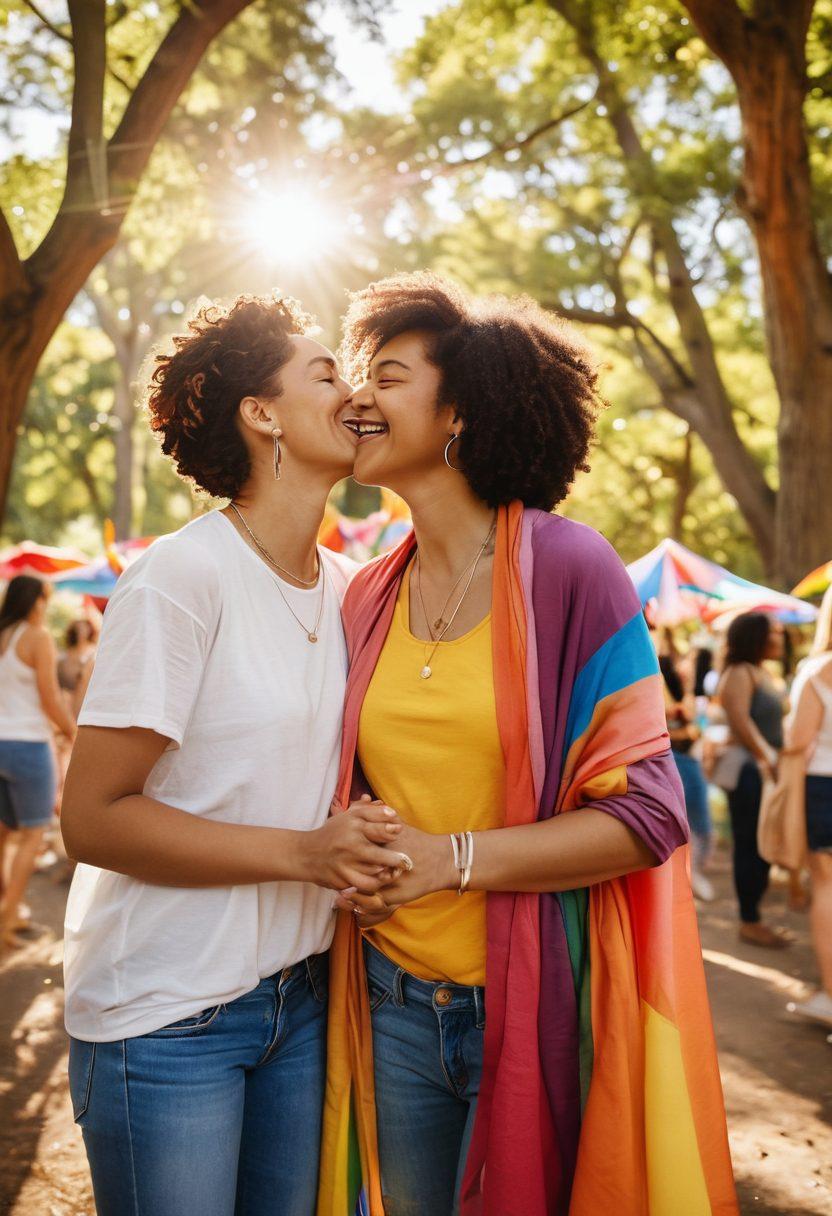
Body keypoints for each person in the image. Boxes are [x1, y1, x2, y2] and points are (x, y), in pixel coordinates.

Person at [317, 273, 737, 1216]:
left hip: (535, 1000)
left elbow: (650, 812)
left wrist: (447, 861)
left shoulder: (569, 568)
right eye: (356, 376)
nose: (357, 398)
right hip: (389, 997)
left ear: (459, 408)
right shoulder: (365, 594)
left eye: (387, 377)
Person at [60, 293, 406, 1216]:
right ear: (261, 415)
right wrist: (304, 853)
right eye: (327, 373)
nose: (356, 391)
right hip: (167, 1016)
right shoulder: (182, 577)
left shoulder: (353, 588)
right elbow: (91, 818)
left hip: (301, 1003)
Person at [0, 575, 77, 947]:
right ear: (36, 601)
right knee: (33, 834)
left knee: (3, 834)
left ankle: (7, 908)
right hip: (28, 744)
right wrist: (74, 731)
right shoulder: (38, 637)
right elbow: (50, 698)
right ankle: (7, 921)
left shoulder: (4, 634)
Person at [717, 611, 788, 946]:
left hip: (761, 767)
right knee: (749, 844)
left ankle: (754, 916)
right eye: (772, 633)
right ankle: (749, 920)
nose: (779, 638)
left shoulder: (761, 672)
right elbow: (741, 722)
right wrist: (767, 756)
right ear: (754, 637)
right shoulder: (739, 672)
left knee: (760, 844)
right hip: (747, 768)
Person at [783, 584, 832, 1026]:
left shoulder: (819, 671)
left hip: (823, 787)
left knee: (827, 888)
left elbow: (797, 741)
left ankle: (831, 995)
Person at [657, 641, 714, 901]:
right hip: (682, 761)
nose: (686, 667)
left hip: (688, 760)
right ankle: (692, 874)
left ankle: (691, 873)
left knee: (694, 823)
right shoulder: (667, 693)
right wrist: (687, 730)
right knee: (695, 823)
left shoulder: (685, 694)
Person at [57, 618, 98, 720]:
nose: (82, 631)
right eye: (79, 628)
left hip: (83, 698)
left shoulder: (93, 653)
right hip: (65, 696)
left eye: (84, 628)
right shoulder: (65, 655)